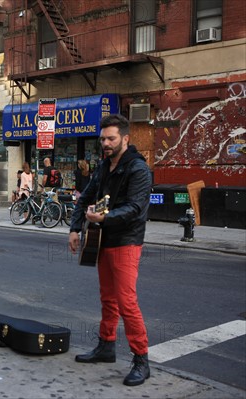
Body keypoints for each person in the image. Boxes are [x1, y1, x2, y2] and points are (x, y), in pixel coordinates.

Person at [68, 114, 152, 387]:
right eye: (102, 138)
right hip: (102, 238)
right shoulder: (104, 166)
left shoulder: (138, 169)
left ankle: (141, 359)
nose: (105, 143)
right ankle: (106, 347)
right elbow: (85, 197)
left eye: (111, 138)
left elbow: (136, 209)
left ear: (125, 139)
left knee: (126, 301)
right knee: (108, 298)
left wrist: (104, 218)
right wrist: (74, 228)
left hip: (126, 240)